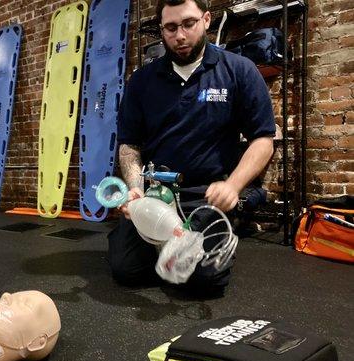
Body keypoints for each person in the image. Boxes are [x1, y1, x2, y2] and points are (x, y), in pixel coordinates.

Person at [108, 0, 275, 292]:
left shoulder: (239, 70)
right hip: (157, 193)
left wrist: (233, 187)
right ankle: (155, 242)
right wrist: (136, 187)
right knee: (126, 273)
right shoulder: (142, 81)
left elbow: (263, 140)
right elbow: (129, 144)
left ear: (207, 20)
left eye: (189, 23)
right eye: (171, 27)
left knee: (204, 281)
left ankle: (183, 243)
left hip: (206, 195)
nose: (180, 36)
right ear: (161, 29)